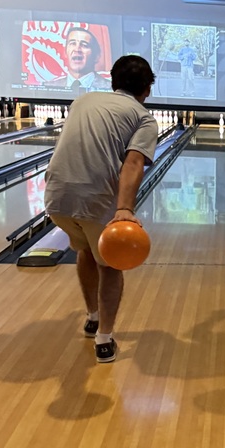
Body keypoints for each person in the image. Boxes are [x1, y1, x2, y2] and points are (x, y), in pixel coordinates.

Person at [44, 54, 158, 363]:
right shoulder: (144, 118)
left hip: (55, 199)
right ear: (148, 89)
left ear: (112, 81)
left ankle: (92, 316)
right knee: (110, 262)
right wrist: (123, 208)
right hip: (94, 198)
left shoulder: (83, 100)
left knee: (85, 249)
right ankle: (104, 340)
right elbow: (133, 163)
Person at [51, 27, 112, 92]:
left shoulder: (110, 88)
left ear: (96, 57)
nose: (77, 49)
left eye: (84, 45)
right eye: (72, 43)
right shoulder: (50, 86)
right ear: (65, 52)